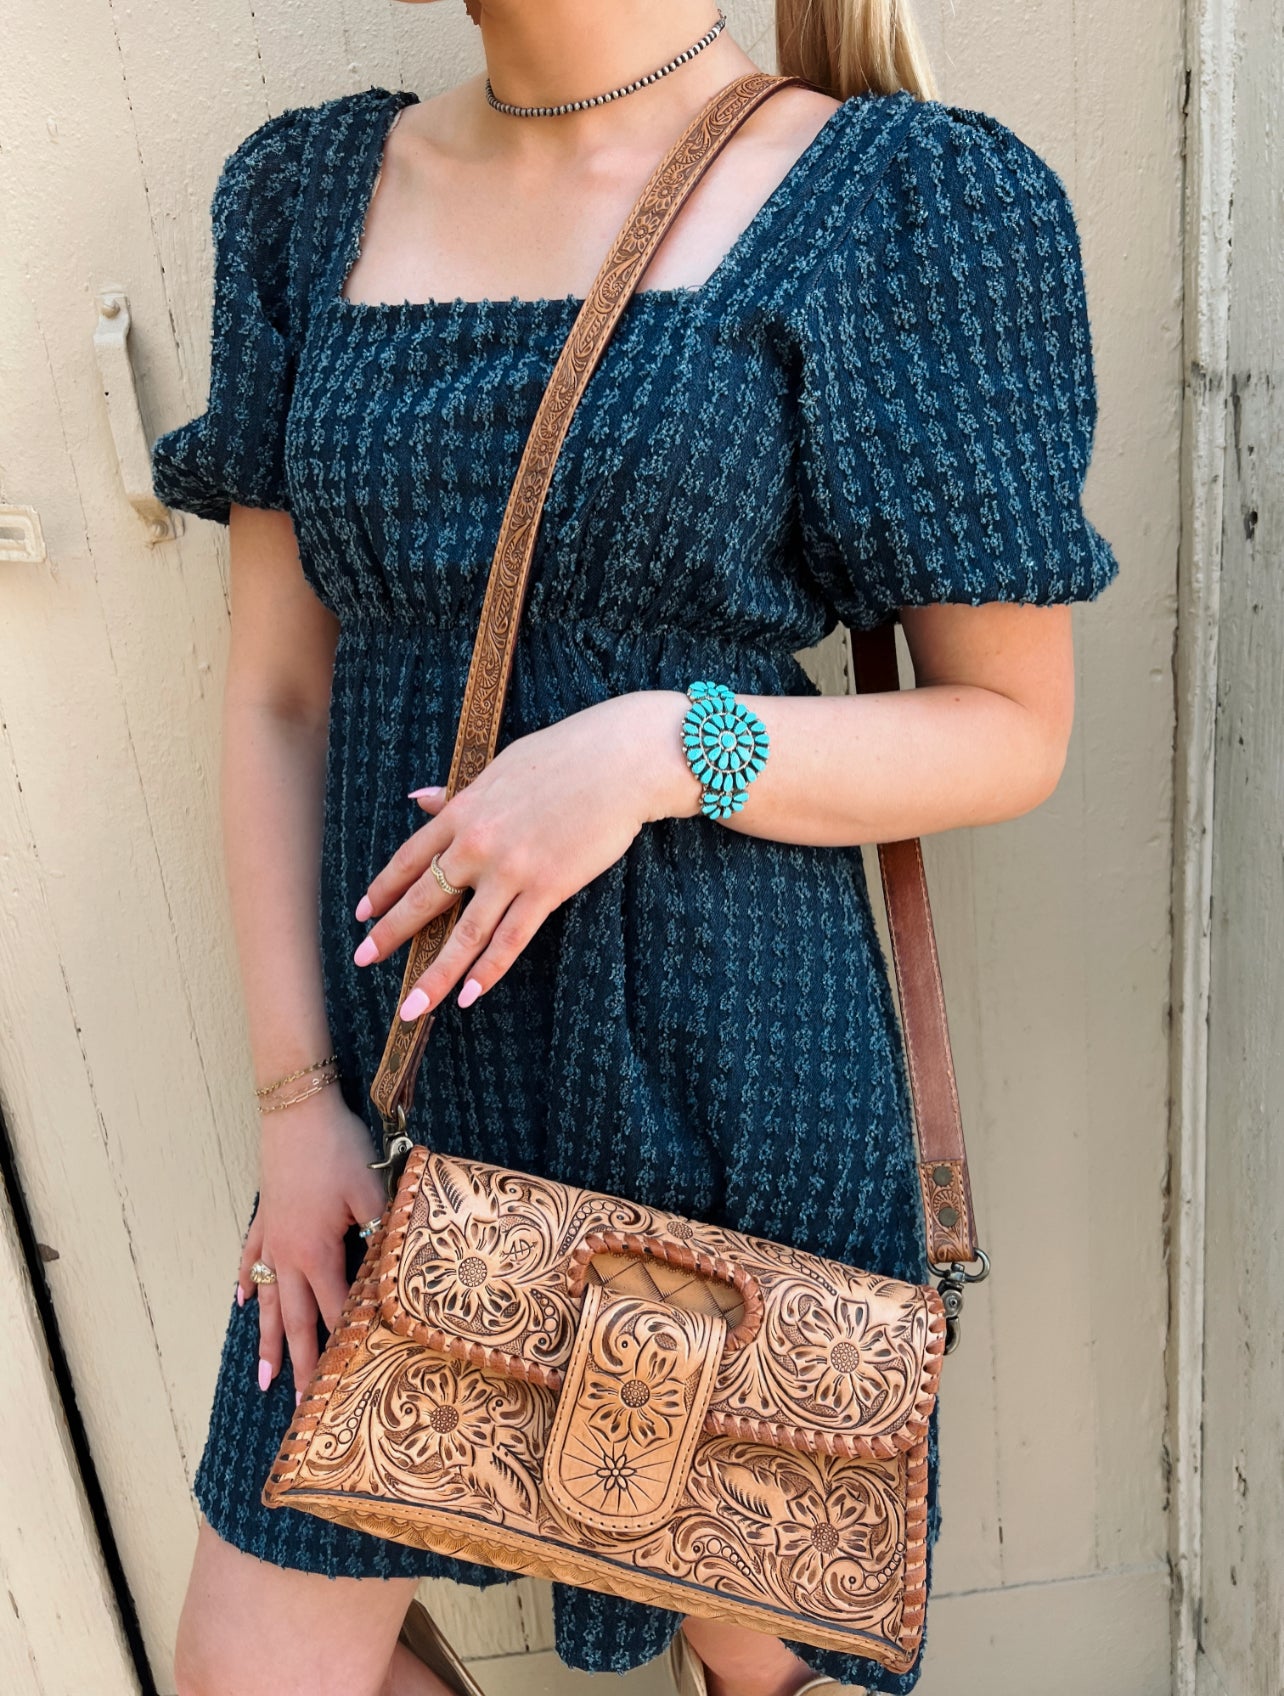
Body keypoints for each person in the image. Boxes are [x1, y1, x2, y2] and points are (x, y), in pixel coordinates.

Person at [149, 1, 1119, 1693]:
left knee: (763, 1659)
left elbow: (1009, 729)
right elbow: (278, 695)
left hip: (730, 1081)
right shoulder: (309, 199)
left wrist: (665, 748)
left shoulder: (899, 200)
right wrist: (297, 1104)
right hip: (404, 1086)